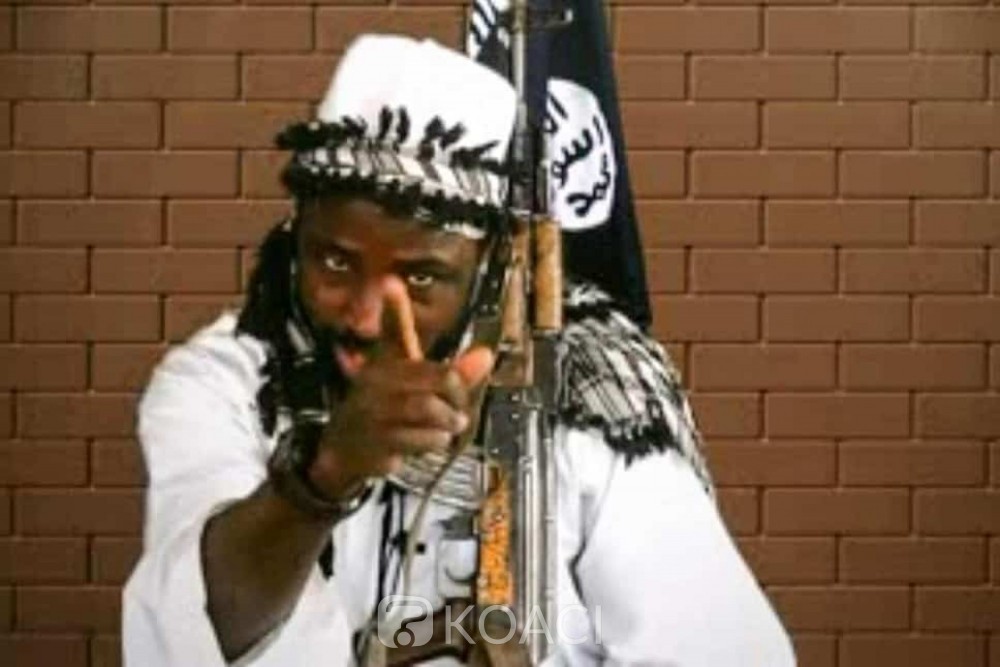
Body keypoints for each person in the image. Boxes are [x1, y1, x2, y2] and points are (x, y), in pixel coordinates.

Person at [123, 34, 796, 666]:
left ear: (493, 273)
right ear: (294, 241)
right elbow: (192, 631)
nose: (367, 318)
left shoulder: (596, 394)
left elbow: (718, 650)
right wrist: (324, 477)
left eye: (421, 277)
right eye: (335, 261)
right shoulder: (224, 382)